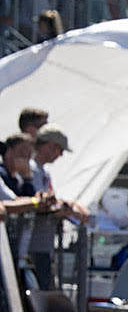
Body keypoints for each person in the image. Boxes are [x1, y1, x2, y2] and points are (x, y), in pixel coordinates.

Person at [27, 124, 89, 290]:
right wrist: (67, 209)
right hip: (33, 246)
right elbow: (41, 202)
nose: (60, 155)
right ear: (49, 146)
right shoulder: (32, 170)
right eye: (59, 149)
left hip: (42, 246)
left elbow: (51, 200)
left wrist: (69, 207)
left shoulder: (43, 172)